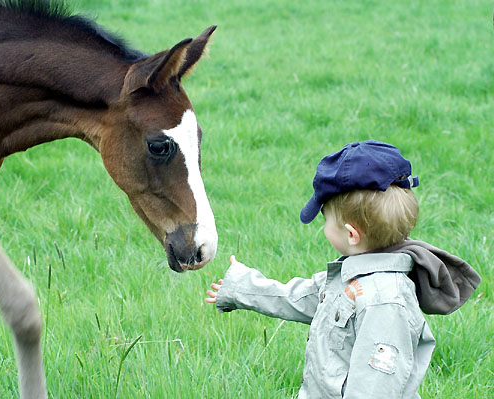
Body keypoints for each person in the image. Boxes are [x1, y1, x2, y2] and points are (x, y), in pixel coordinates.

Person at [205, 140, 481, 399]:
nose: (323, 227)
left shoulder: (385, 301)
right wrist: (241, 288)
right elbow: (303, 297)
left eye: (325, 219)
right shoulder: (351, 275)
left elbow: (374, 388)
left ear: (351, 235)